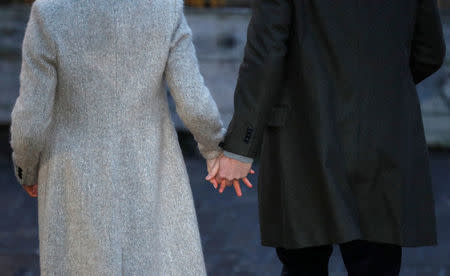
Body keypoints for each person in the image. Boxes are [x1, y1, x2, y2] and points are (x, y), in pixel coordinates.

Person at [209, 0, 446, 275]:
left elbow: (265, 53)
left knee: (303, 264)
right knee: (377, 263)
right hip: (381, 136)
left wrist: (240, 148)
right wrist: (380, 92)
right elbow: (429, 52)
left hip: (302, 139)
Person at [9, 0, 241, 274]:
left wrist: (26, 167)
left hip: (74, 182)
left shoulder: (50, 12)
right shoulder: (165, 9)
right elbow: (193, 100)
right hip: (150, 173)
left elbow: (32, 116)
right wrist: (215, 149)